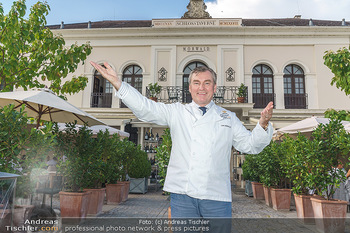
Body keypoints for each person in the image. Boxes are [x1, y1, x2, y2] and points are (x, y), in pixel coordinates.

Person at [90, 61, 273, 232]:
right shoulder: (177, 111)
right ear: (190, 87)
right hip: (183, 196)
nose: (201, 87)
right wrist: (118, 84)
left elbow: (250, 145)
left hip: (216, 197)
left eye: (207, 83)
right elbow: (146, 108)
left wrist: (263, 124)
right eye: (196, 83)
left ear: (214, 88)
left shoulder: (228, 117)